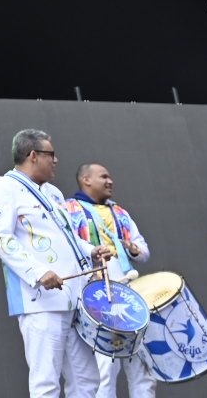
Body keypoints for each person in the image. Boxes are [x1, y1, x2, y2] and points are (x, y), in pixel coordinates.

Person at [0, 129, 115, 398]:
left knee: (87, 378)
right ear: (33, 156)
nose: (56, 160)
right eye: (50, 155)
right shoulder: (2, 188)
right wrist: (39, 272)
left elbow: (68, 237)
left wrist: (92, 251)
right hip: (40, 300)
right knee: (46, 381)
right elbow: (1, 237)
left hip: (75, 299)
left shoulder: (53, 193)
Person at [62, 163, 154, 398]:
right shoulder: (69, 210)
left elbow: (144, 251)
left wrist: (133, 248)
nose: (110, 181)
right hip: (99, 294)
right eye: (104, 176)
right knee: (106, 367)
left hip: (130, 291)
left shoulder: (120, 212)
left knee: (142, 366)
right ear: (86, 180)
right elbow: (68, 249)